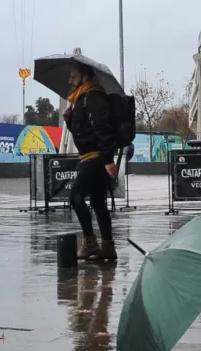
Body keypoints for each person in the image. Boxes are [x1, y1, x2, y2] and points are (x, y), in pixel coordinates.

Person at [63, 64, 118, 262]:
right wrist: (69, 121)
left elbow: (103, 128)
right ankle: (108, 247)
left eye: (73, 76)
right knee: (97, 202)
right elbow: (83, 131)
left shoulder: (93, 96)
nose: (70, 80)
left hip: (95, 157)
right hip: (90, 156)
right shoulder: (81, 99)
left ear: (85, 77)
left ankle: (90, 242)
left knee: (75, 196)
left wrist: (108, 160)